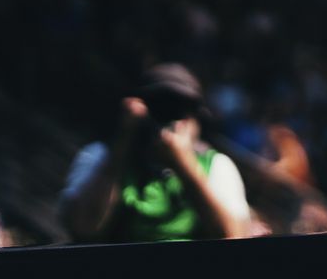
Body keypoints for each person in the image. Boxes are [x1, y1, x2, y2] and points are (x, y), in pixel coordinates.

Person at [60, 64, 253, 242]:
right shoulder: (101, 154)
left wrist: (183, 164)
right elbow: (82, 228)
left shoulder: (217, 165)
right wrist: (122, 143)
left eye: (179, 111)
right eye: (159, 108)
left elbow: (232, 238)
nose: (168, 121)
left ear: (197, 120)